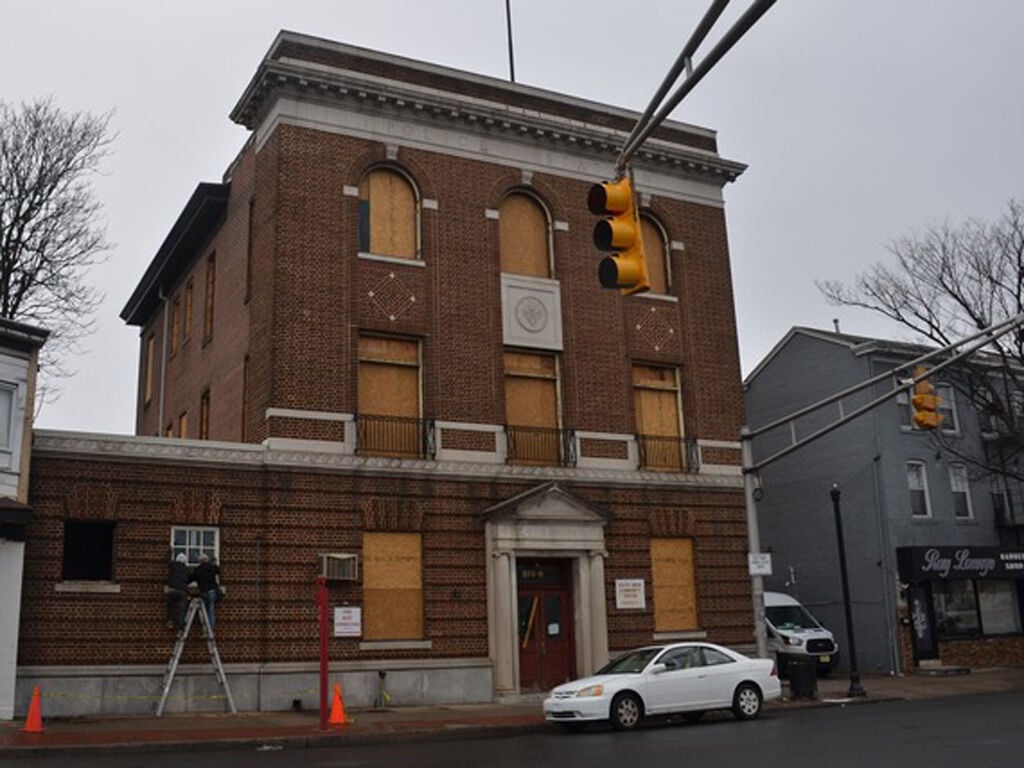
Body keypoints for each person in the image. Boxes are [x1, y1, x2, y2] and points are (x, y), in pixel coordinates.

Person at [192, 553, 222, 633]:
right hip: (212, 591)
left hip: (204, 592)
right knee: (211, 610)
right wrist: (214, 563)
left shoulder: (198, 570)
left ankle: (206, 629)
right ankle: (211, 629)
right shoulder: (211, 567)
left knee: (204, 611)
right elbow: (218, 570)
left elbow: (191, 578)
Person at [165, 552, 191, 631]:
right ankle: (181, 624)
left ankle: (169, 621)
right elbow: (188, 580)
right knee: (182, 608)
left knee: (169, 606)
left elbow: (167, 560)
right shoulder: (186, 569)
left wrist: (169, 551)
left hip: (173, 590)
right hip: (182, 591)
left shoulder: (173, 565)